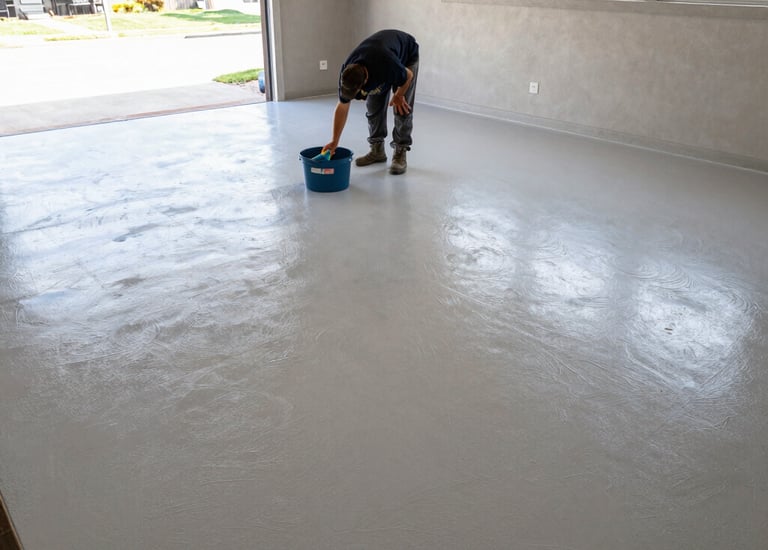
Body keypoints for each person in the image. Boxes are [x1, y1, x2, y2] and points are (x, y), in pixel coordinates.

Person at [323, 30, 419, 176]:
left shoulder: (385, 64)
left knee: (401, 108)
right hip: (381, 56)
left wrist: (399, 95)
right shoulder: (347, 73)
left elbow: (408, 76)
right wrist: (335, 141)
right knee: (374, 107)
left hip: (406, 55)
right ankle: (377, 150)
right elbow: (342, 107)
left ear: (365, 82)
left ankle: (400, 151)